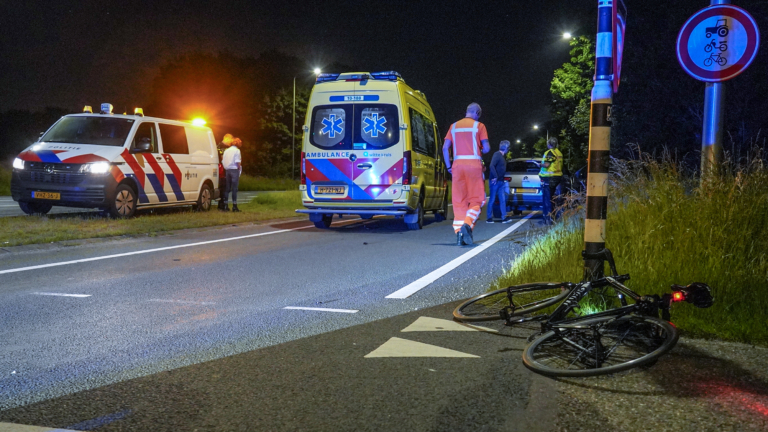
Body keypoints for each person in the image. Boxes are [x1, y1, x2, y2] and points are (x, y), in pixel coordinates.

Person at [442, 102, 491, 246]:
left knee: (459, 202)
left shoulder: (453, 126)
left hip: (457, 167)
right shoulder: (479, 126)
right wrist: (479, 148)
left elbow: (445, 148)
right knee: (477, 200)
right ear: (477, 113)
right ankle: (467, 224)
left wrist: (449, 166)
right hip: (474, 166)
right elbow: (487, 148)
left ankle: (459, 234)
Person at [539, 137, 564, 225]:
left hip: (549, 178)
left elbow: (546, 164)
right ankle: (554, 218)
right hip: (557, 178)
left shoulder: (549, 152)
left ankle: (548, 219)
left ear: (549, 144)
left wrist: (539, 164)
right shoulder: (558, 152)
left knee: (547, 200)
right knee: (554, 199)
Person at [487, 140, 512, 223]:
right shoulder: (497, 154)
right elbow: (491, 165)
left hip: (501, 181)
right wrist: (495, 176)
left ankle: (504, 217)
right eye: (508, 148)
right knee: (492, 199)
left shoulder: (502, 156)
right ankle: (489, 218)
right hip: (495, 181)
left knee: (502, 199)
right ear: (506, 148)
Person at [221, 137, 243, 212]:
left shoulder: (227, 151)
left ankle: (225, 205)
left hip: (227, 170)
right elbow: (237, 161)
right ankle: (234, 206)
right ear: (238, 143)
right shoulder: (237, 151)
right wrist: (239, 168)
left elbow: (223, 160)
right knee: (234, 188)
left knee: (227, 188)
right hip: (234, 169)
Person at [216, 134, 233, 210]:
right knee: (224, 187)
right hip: (223, 170)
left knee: (224, 187)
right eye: (230, 140)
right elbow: (223, 159)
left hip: (223, 169)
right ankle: (223, 205)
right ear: (227, 139)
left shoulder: (220, 146)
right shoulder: (221, 147)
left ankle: (222, 204)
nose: (231, 142)